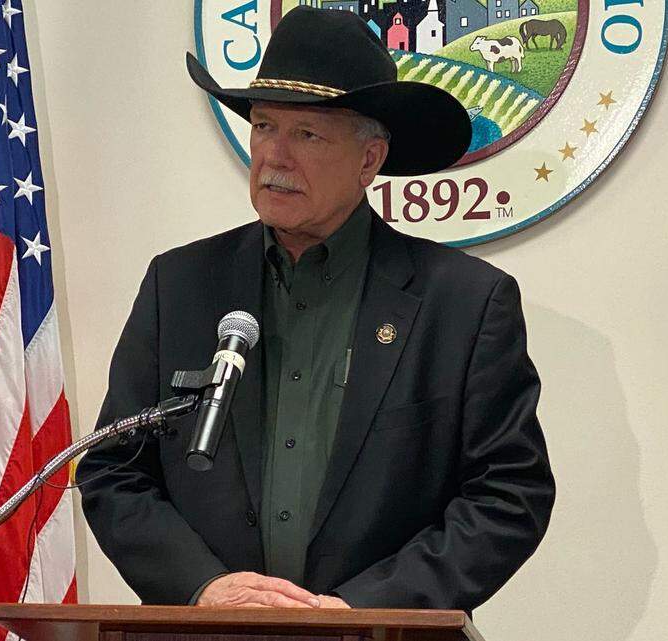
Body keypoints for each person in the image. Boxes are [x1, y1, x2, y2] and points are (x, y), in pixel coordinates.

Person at [77, 8, 555, 612]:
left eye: (306, 134)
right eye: (264, 126)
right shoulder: (180, 285)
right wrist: (203, 588)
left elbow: (508, 495)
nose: (274, 156)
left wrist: (367, 607)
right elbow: (114, 470)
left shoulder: (462, 303)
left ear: (368, 159)